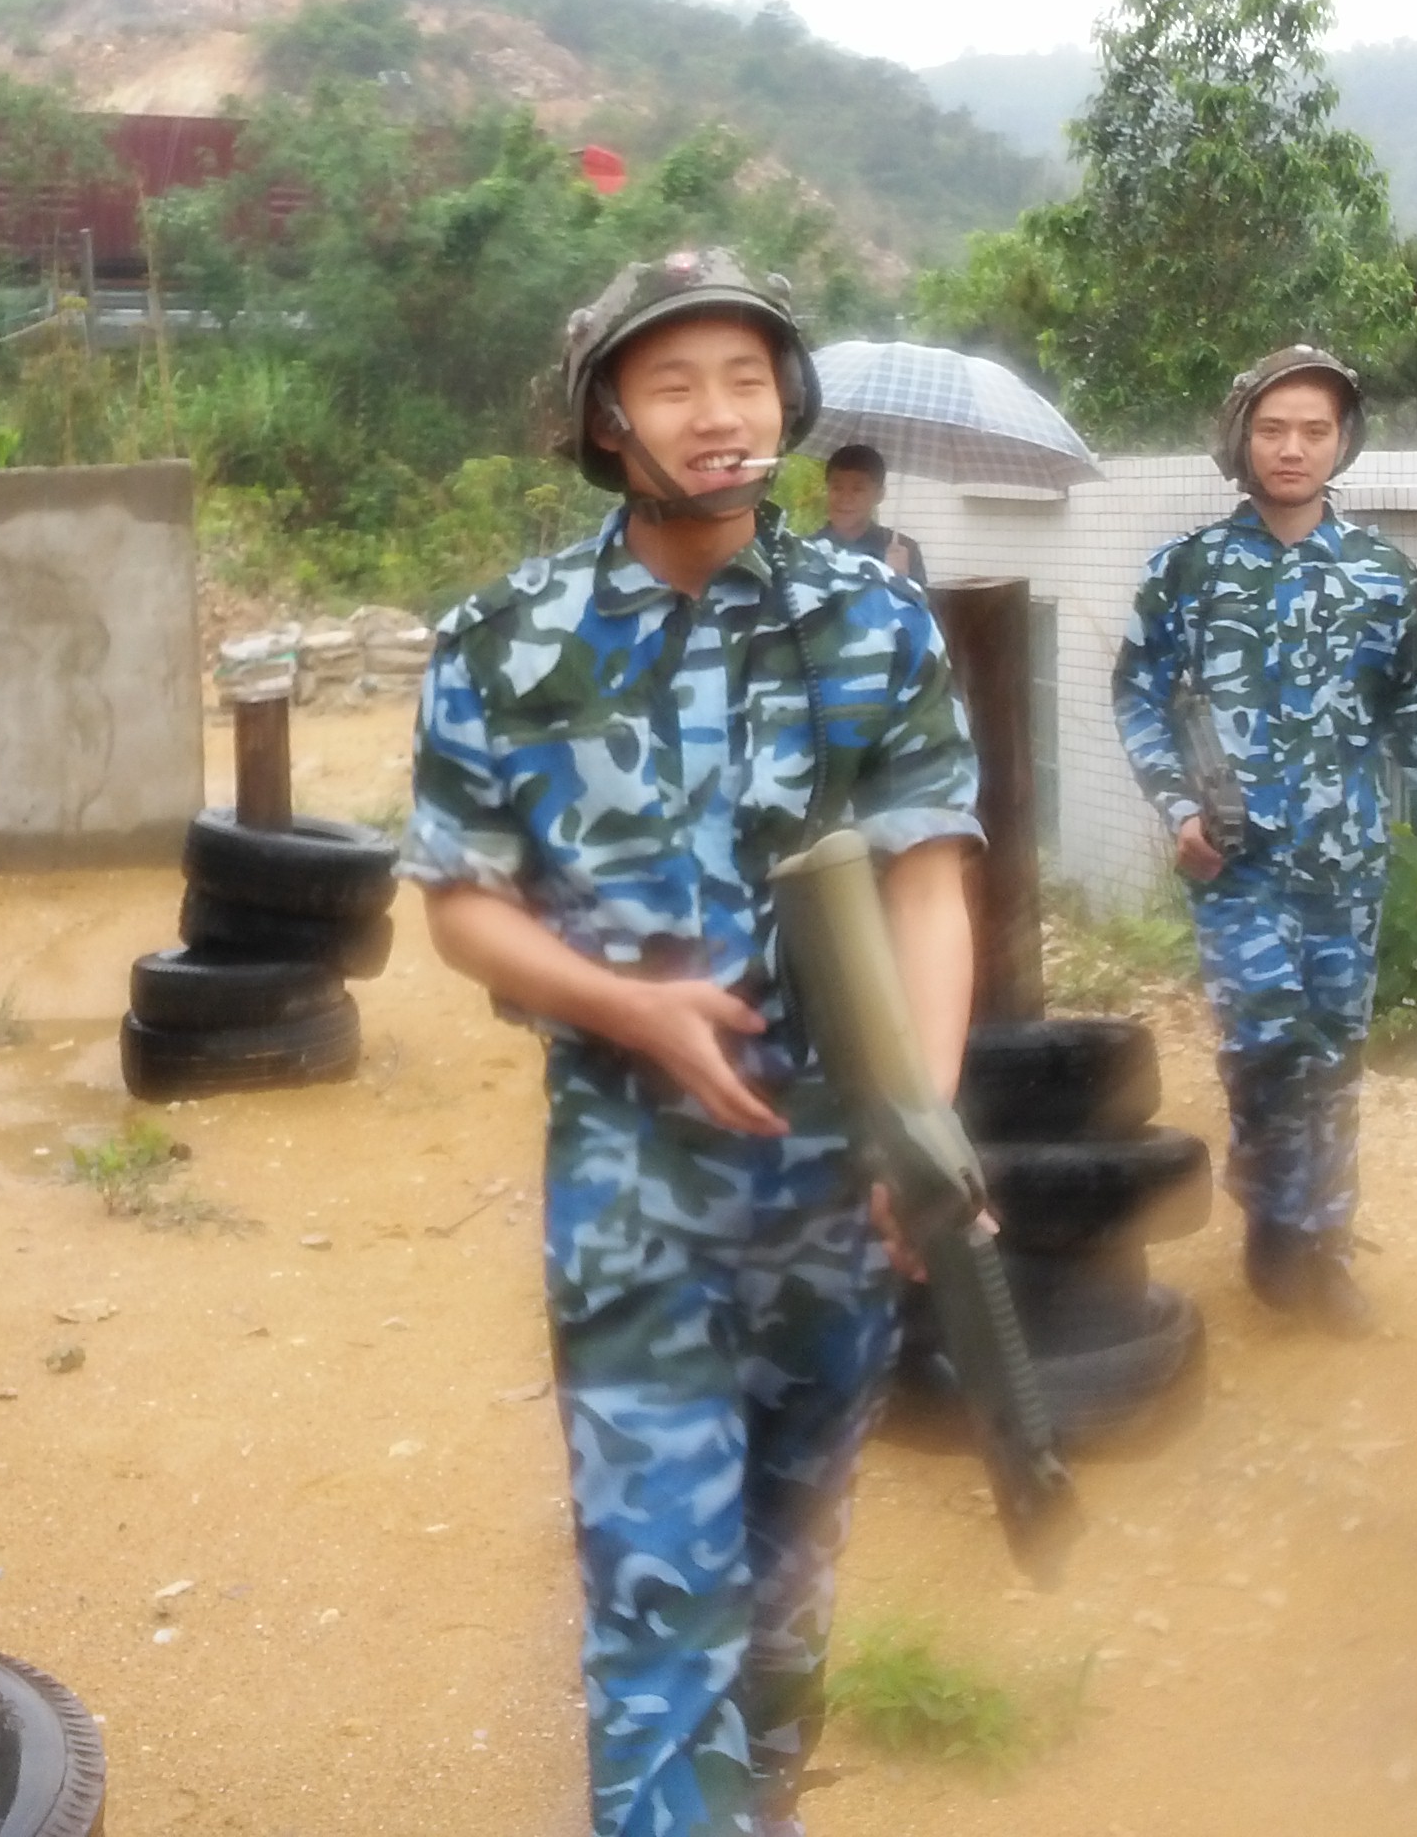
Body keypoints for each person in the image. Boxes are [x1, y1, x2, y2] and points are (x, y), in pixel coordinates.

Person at [403, 248, 982, 1837]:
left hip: (838, 1188)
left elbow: (932, 880)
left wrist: (921, 1129)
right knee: (663, 1610)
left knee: (788, 1592)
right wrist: (627, 1007)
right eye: (675, 383)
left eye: (747, 381)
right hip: (634, 1198)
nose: (721, 415)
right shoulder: (507, 637)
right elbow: (459, 904)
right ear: (607, 418)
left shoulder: (873, 620)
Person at [1110, 343, 1417, 1334]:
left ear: (1342, 444)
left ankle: (1318, 1242)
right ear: (1241, 437)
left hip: (1346, 865)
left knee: (1332, 1055)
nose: (1293, 448)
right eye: (1273, 428)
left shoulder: (1381, 575)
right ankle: (1277, 1218)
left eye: (1315, 431)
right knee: (1266, 1045)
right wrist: (1176, 807)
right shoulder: (1189, 573)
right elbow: (1138, 695)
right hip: (1235, 863)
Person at [816, 441, 929, 585]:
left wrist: (901, 580)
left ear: (879, 495)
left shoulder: (902, 551)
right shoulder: (806, 550)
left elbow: (920, 607)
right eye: (837, 487)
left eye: (858, 489)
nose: (845, 498)